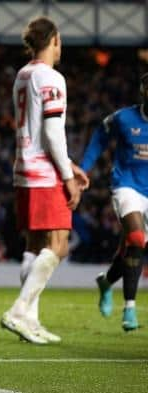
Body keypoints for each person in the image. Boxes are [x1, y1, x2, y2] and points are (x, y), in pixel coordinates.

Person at [0, 16, 89, 345]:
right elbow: (52, 132)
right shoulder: (51, 77)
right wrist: (67, 176)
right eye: (60, 40)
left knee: (34, 247)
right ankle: (19, 311)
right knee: (58, 245)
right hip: (45, 173)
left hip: (24, 169)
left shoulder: (22, 76)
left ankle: (31, 322)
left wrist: (70, 164)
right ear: (53, 40)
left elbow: (37, 131)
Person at [80, 72, 148, 332]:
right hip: (127, 186)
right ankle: (129, 309)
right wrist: (84, 169)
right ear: (143, 91)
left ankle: (106, 282)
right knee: (137, 240)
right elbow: (99, 138)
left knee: (130, 251)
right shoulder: (123, 118)